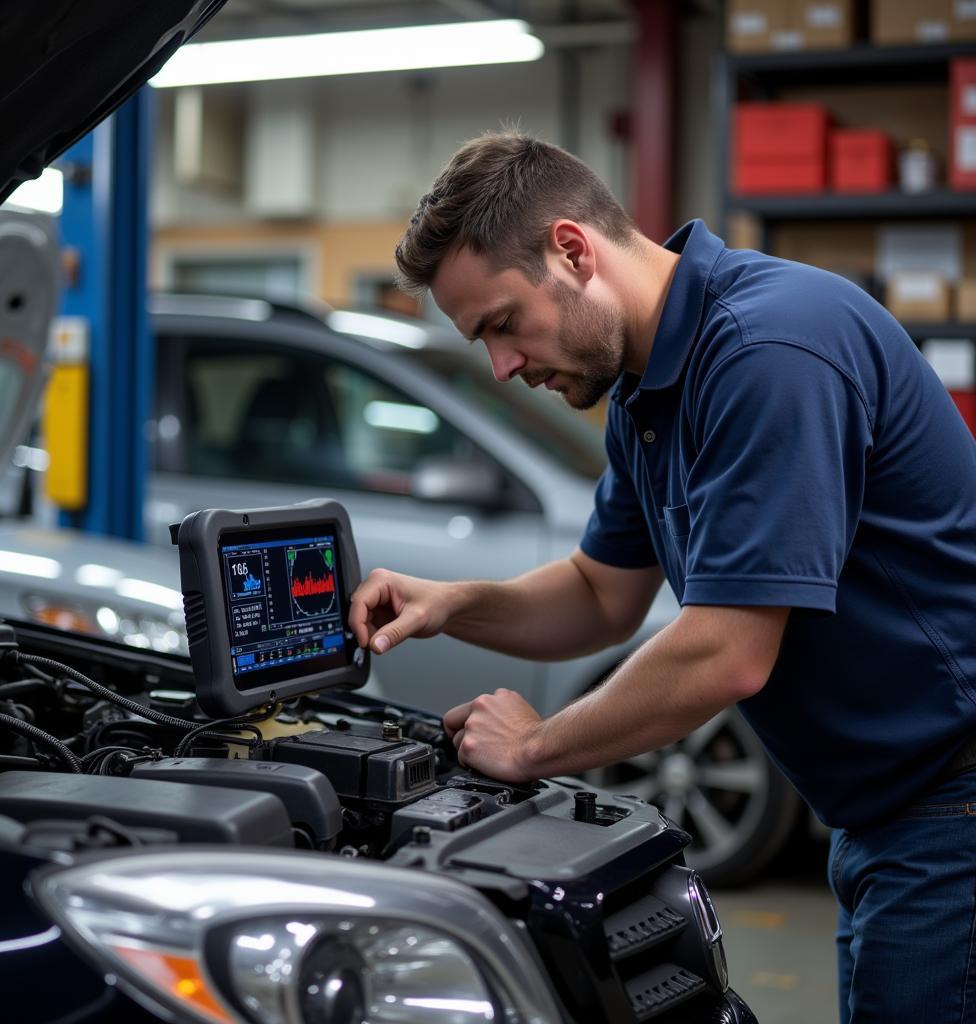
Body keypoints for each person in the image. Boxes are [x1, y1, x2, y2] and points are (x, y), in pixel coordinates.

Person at [347, 131, 976, 1023]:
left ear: (572, 251)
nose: (503, 365)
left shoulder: (768, 351)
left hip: (954, 807)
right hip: (888, 816)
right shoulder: (647, 391)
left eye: (502, 323)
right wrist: (450, 606)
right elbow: (603, 595)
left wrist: (534, 747)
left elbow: (726, 653)